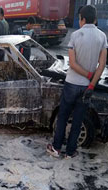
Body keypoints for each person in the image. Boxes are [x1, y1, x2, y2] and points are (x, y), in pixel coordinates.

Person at [47, 5, 107, 159]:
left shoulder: (75, 36)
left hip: (72, 83)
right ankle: (71, 152)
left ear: (82, 18)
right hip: (87, 86)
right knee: (78, 119)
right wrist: (92, 82)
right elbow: (101, 65)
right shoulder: (102, 37)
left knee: (63, 117)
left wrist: (86, 74)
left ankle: (56, 148)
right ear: (95, 19)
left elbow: (72, 64)